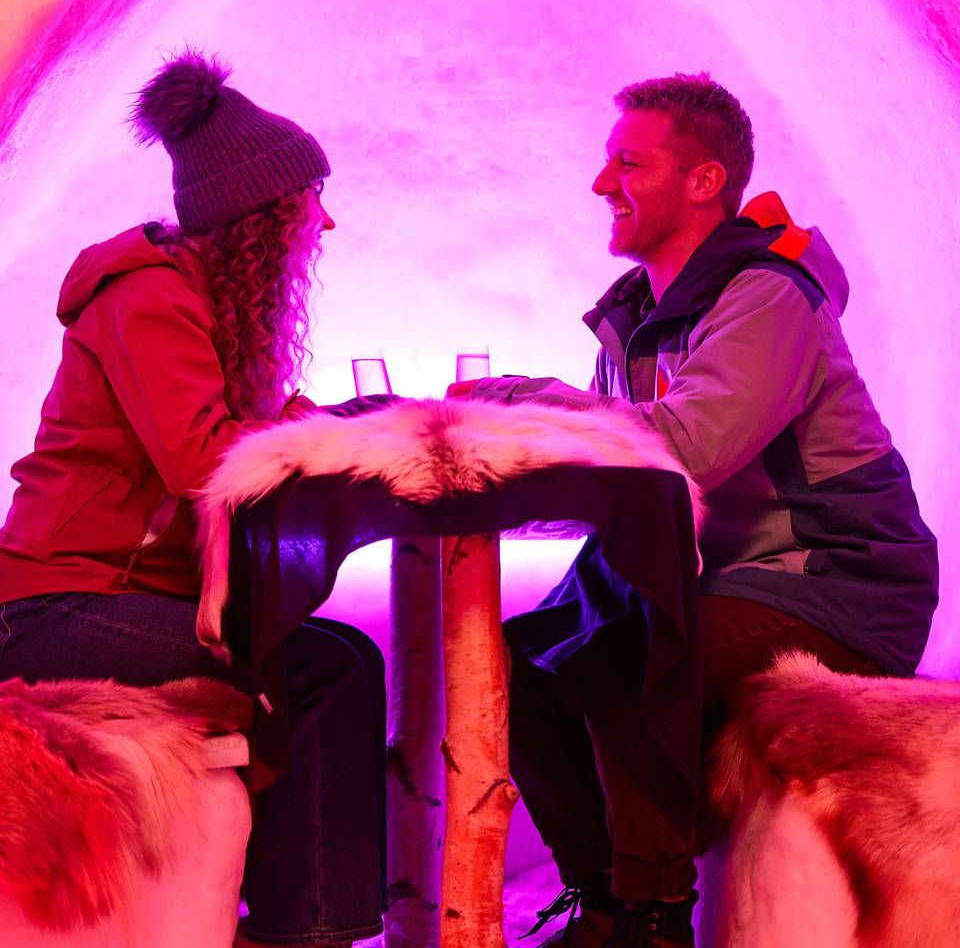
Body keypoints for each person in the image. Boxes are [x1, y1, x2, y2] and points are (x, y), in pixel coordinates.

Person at [465, 73, 938, 948]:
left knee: (629, 652)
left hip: (831, 580)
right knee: (512, 667)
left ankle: (653, 920)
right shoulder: (641, 320)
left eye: (626, 163)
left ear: (704, 181)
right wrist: (494, 466)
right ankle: (603, 901)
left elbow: (686, 449)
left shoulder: (766, 295)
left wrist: (540, 405)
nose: (602, 184)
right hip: (717, 578)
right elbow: (625, 485)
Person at [0, 52, 385, 948]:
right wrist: (317, 434)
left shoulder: (195, 302)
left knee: (342, 662)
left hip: (121, 595)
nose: (323, 225)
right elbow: (202, 459)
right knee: (321, 672)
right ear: (259, 221)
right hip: (58, 602)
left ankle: (298, 921)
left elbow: (227, 439)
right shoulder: (146, 298)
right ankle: (311, 933)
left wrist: (315, 424)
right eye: (307, 204)